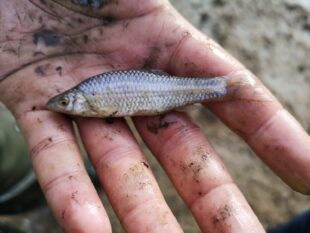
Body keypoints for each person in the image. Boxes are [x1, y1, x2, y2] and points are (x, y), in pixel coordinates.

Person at [0, 0, 309, 232]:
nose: (64, 106)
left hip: (166, 92)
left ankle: (222, 88)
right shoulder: (89, 95)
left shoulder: (92, 96)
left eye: (68, 102)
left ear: (83, 100)